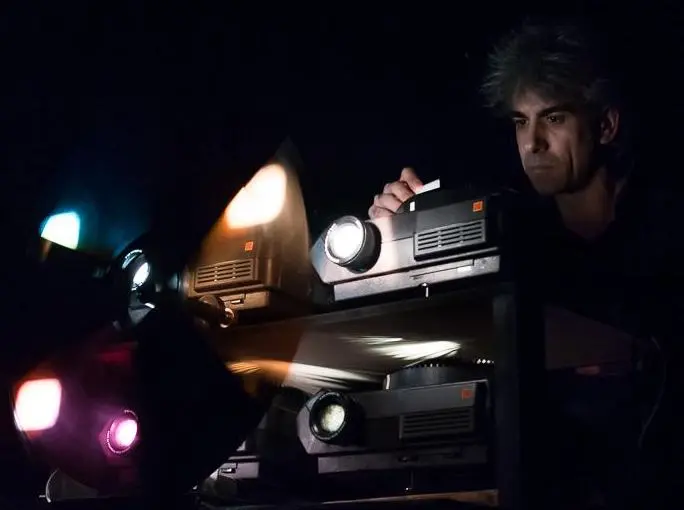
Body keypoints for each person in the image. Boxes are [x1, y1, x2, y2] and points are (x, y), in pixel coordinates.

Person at [367, 19, 683, 508]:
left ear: (605, 126)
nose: (531, 144)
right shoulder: (516, 232)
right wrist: (397, 230)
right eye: (521, 122)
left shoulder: (664, 224)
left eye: (553, 119)